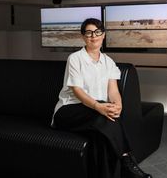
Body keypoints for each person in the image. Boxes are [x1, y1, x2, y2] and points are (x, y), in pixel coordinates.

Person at [52, 18, 152, 178]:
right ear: (83, 36)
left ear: (103, 35)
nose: (94, 36)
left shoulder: (109, 62)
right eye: (89, 33)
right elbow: (77, 91)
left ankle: (119, 170)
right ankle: (127, 161)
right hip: (68, 110)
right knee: (105, 120)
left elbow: (113, 91)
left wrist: (118, 105)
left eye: (98, 32)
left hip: (96, 112)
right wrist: (98, 107)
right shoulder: (75, 58)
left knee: (102, 135)